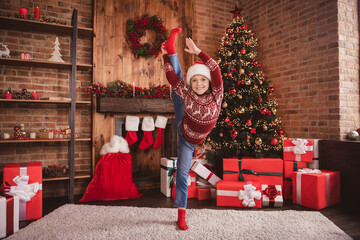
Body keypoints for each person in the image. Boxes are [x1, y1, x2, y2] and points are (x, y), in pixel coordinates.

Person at [161, 28, 223, 231]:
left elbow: (214, 69)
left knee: (182, 172)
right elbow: (173, 79)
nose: (198, 83)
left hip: (193, 133)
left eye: (202, 80)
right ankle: (181, 215)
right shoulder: (187, 92)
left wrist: (198, 52)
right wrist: (165, 59)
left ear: (209, 83)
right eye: (194, 80)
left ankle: (172, 51)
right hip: (185, 133)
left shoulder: (217, 94)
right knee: (182, 173)